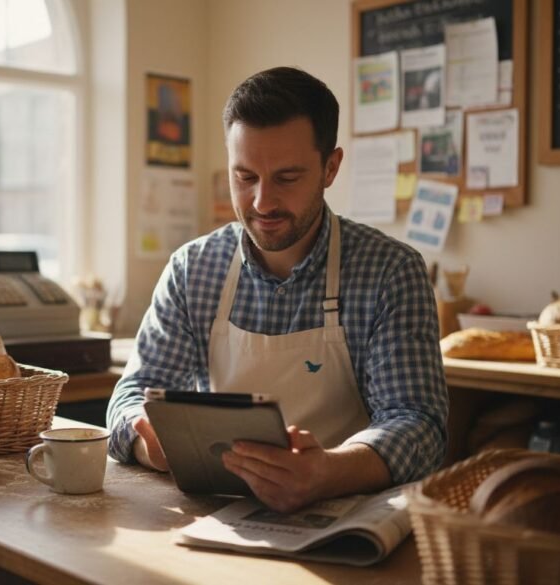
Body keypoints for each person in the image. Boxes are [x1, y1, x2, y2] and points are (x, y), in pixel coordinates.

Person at [106, 67, 447, 513]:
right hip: (214, 514)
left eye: (286, 178)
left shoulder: (389, 272)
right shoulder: (193, 269)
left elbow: (418, 423)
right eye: (245, 177)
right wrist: (147, 438)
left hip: (343, 517)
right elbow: (132, 396)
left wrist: (330, 470)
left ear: (331, 167)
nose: (262, 202)